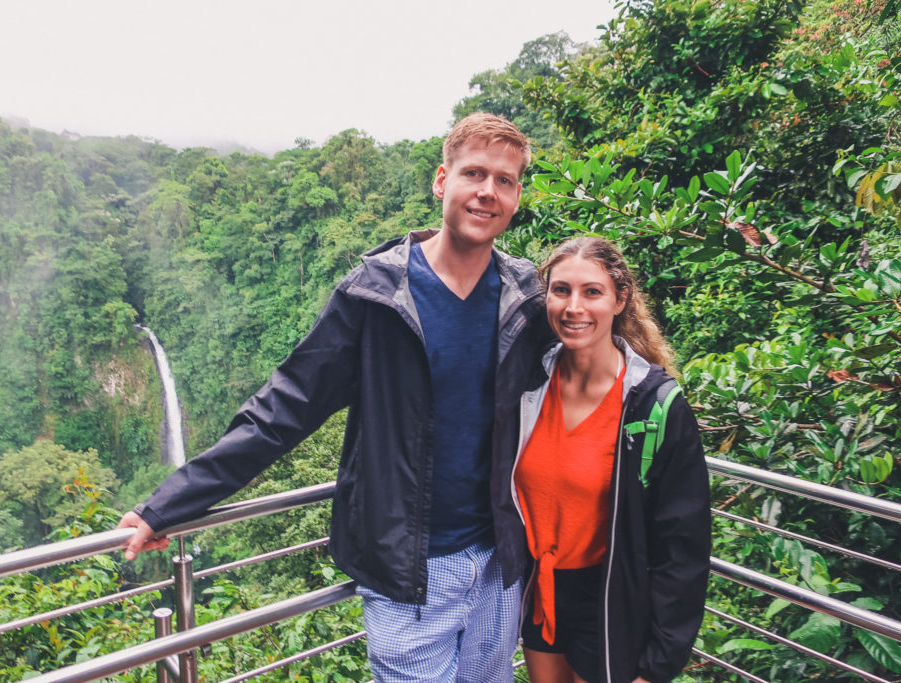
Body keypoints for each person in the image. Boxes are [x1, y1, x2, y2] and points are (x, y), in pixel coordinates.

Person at [118, 113, 552, 682]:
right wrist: (168, 504)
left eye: (504, 180)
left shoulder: (527, 297)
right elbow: (282, 410)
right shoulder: (375, 296)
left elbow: (593, 380)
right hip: (407, 572)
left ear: (518, 194)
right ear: (442, 180)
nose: (487, 192)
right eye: (475, 173)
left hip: (499, 564)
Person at [512, 237, 710, 683]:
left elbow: (684, 546)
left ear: (621, 299)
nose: (573, 307)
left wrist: (658, 663)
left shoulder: (653, 406)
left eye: (592, 292)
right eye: (560, 290)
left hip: (610, 596)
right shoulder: (528, 384)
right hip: (539, 591)